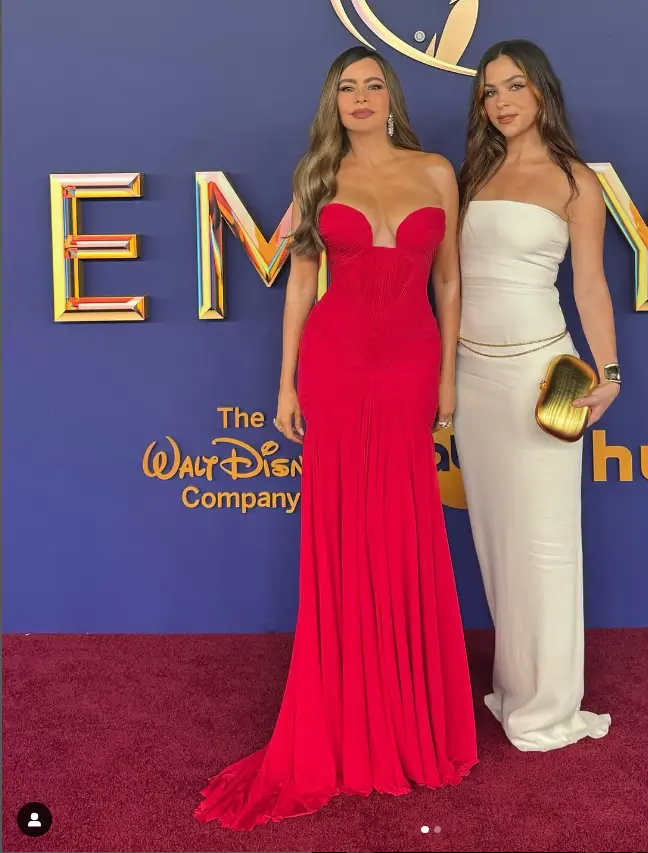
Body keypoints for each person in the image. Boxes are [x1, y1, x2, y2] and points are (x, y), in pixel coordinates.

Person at [194, 46, 477, 829]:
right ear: (333, 103)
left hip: (411, 364)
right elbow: (300, 287)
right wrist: (285, 382)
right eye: (346, 87)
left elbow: (448, 279)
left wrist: (448, 375)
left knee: (403, 532)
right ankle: (346, 713)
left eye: (372, 84)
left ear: (392, 95)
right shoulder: (316, 177)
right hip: (336, 362)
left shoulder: (434, 172)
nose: (359, 97)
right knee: (345, 536)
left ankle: (406, 712)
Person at [454, 39, 617, 752]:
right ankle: (516, 687)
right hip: (470, 374)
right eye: (489, 91)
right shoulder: (474, 175)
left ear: (541, 92)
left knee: (545, 543)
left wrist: (608, 374)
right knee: (495, 540)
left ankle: (549, 706)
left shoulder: (575, 181)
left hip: (539, 374)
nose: (500, 101)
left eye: (513, 85)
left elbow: (588, 285)